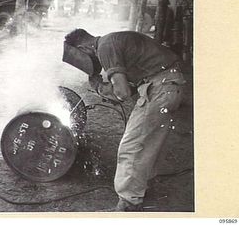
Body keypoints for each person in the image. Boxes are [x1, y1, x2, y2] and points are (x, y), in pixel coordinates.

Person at [62, 29, 186, 211]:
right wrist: (106, 89)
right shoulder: (113, 40)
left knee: (131, 146)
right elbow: (131, 88)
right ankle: (143, 187)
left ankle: (128, 204)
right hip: (170, 84)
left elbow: (123, 93)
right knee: (149, 141)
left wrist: (99, 88)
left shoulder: (105, 47)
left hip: (161, 87)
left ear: (82, 47)